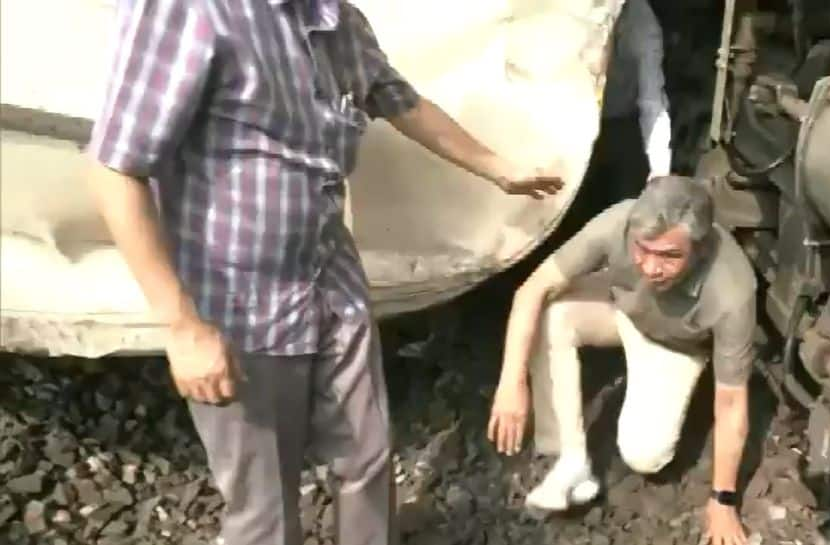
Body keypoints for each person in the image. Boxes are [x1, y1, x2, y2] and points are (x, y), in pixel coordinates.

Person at [84, 1, 562, 545]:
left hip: (329, 277)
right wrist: (183, 327)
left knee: (368, 456)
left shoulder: (339, 21)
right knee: (263, 507)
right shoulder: (190, 11)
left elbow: (399, 99)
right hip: (235, 300)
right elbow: (114, 170)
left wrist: (500, 169)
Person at [488, 176, 756, 545]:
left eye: (670, 256)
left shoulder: (731, 289)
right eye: (642, 249)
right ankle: (570, 459)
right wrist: (511, 383)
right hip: (622, 309)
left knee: (645, 456)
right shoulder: (616, 222)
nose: (650, 267)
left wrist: (722, 500)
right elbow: (532, 289)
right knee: (552, 314)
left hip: (674, 345)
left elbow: (731, 404)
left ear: (701, 249)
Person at [598, 0, 672, 200]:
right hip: (568, 125)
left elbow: (652, 100)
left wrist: (659, 169)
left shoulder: (640, 22)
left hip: (619, 124)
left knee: (624, 203)